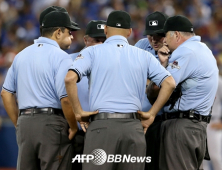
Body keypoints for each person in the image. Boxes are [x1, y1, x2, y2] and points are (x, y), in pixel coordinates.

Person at [65, 10, 176, 170]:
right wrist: (151, 114)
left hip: (101, 127)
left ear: (105, 30)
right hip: (133, 128)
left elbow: (69, 79)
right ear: (130, 32)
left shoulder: (91, 51)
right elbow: (169, 83)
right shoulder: (143, 55)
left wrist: (78, 112)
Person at [1, 10, 79, 170]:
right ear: (58, 32)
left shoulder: (21, 55)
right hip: (51, 124)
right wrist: (73, 126)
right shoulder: (61, 56)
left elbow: (6, 93)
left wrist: (19, 123)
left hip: (25, 123)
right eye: (69, 31)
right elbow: (65, 99)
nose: (71, 36)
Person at [149, 15, 219, 170]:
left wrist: (162, 65)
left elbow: (162, 86)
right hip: (197, 126)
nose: (164, 41)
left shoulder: (186, 51)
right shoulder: (204, 49)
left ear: (177, 35)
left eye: (166, 35)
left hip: (181, 127)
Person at [70, 20, 106, 170]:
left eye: (104, 41)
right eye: (96, 40)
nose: (100, 44)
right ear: (85, 40)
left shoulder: (117, 63)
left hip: (105, 131)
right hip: (77, 133)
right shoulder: (69, 61)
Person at [135, 11, 168, 170]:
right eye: (150, 35)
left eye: (159, 35)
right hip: (137, 118)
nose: (154, 39)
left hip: (160, 120)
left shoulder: (175, 50)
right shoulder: (141, 45)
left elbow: (163, 85)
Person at [203, 75, 222, 170]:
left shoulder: (218, 81)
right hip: (200, 122)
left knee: (215, 157)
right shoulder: (199, 80)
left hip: (214, 123)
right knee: (201, 159)